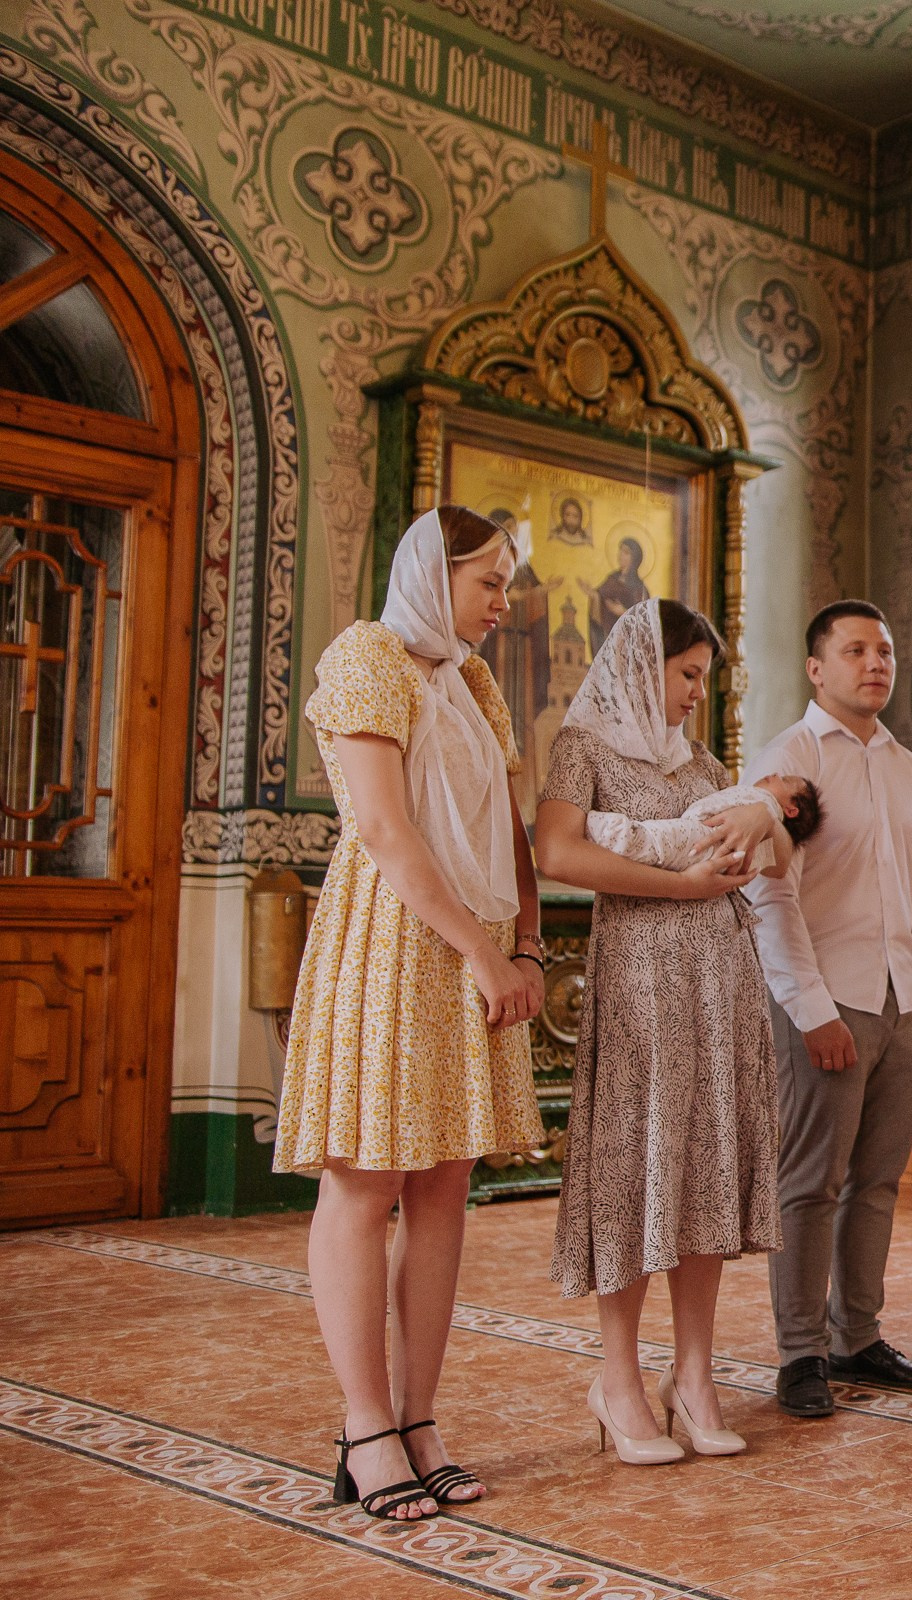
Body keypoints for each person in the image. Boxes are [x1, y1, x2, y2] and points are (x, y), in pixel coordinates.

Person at [275, 505, 548, 1521]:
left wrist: (522, 939)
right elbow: (385, 831)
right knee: (367, 1179)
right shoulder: (367, 655)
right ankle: (364, 1425)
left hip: (474, 942)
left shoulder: (471, 681)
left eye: (508, 584)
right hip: (394, 940)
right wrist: (481, 951)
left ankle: (421, 1417)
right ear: (435, 577)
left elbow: (507, 826)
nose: (502, 603)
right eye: (490, 582)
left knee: (442, 1188)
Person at [535, 598, 785, 1465]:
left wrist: (763, 821)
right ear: (644, 664)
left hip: (717, 986)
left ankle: (695, 1374)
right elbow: (557, 854)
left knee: (701, 1169)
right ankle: (618, 1380)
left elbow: (764, 843)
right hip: (641, 987)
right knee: (635, 1169)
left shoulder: (703, 761)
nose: (694, 695)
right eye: (686, 674)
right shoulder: (583, 747)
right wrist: (686, 886)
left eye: (704, 679)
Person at [747, 600, 912, 1418]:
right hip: (827, 998)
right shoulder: (790, 757)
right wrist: (810, 1010)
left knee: (875, 1183)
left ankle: (857, 1336)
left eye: (883, 650)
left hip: (902, 999)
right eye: (854, 651)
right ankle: (800, 1352)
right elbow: (771, 896)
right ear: (817, 668)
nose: (874, 663)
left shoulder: (909, 769)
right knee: (810, 1181)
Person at [584, 769, 821, 872]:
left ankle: (597, 827)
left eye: (786, 780)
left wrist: (696, 817)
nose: (775, 775)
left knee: (653, 841)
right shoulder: (760, 808)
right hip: (704, 842)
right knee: (656, 844)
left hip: (704, 836)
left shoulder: (765, 804)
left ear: (791, 810)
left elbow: (716, 807)